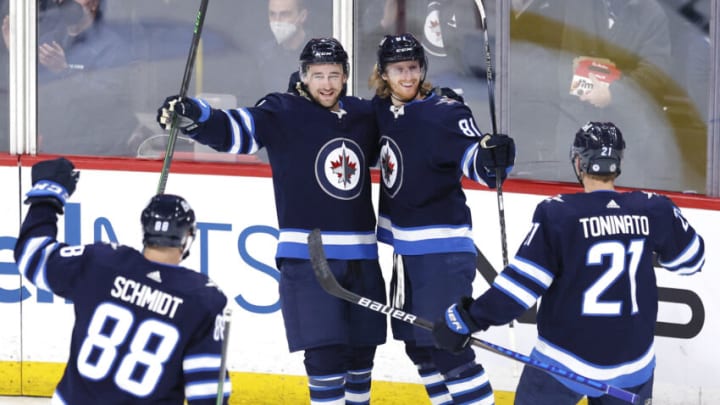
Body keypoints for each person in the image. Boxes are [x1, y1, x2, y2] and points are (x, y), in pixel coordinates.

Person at [156, 37, 387, 405]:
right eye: (317, 75)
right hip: (310, 261)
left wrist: (439, 107)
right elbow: (237, 130)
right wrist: (196, 116)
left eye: (334, 75)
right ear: (303, 75)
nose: (326, 83)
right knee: (325, 357)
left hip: (362, 258)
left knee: (361, 360)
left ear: (345, 76)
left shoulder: (362, 114)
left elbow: (405, 127)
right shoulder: (283, 111)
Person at [432, 122, 706, 404]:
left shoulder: (560, 215)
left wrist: (466, 320)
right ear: (618, 162)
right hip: (634, 367)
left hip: (564, 364)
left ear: (578, 162)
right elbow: (691, 260)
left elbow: (519, 290)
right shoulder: (654, 209)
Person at [368, 33, 515, 405]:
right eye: (399, 69)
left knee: (448, 347)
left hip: (442, 253)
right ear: (383, 73)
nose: (408, 76)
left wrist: (493, 158)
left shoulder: (445, 112)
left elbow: (475, 161)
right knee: (419, 348)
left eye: (414, 68)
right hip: (406, 254)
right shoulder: (381, 110)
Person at [14, 157, 232, 404]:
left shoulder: (101, 263)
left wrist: (47, 198)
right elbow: (208, 393)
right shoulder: (203, 299)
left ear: (144, 229)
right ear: (188, 237)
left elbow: (31, 257)